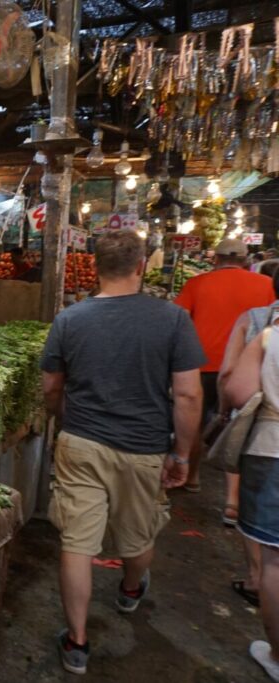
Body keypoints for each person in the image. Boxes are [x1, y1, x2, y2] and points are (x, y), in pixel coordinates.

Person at [41, 230, 205, 675]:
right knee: (138, 533)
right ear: (141, 266)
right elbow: (189, 396)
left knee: (77, 542)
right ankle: (131, 589)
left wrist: (61, 421)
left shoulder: (70, 319)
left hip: (81, 443)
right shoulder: (172, 319)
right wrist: (183, 456)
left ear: (95, 267)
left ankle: (77, 643)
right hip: (144, 447)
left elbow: (52, 386)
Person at [175, 238, 274, 491]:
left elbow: (181, 321)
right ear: (244, 261)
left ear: (216, 259)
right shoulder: (266, 284)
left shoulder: (197, 283)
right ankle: (236, 493)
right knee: (243, 423)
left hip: (200, 363)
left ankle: (193, 476)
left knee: (195, 421)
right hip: (248, 368)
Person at [218, 262, 279, 608]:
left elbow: (235, 383)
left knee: (273, 554)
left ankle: (256, 579)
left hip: (270, 443)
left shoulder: (262, 326)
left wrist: (226, 409)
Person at [225, 325, 279, 681]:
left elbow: (238, 391)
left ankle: (278, 655)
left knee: (275, 559)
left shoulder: (270, 338)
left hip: (273, 448)